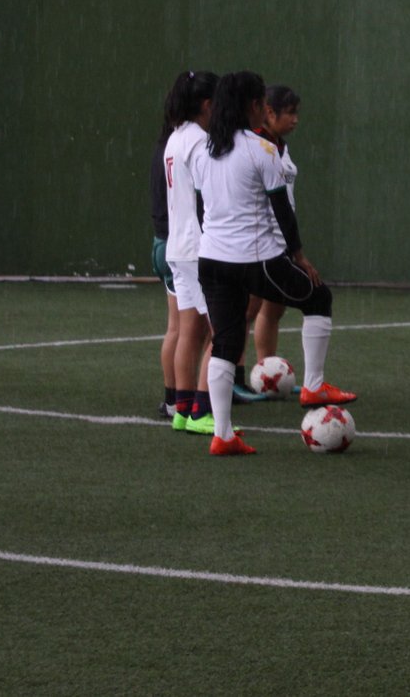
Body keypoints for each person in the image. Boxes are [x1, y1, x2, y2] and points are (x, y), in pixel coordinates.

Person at [194, 71, 356, 456]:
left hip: (211, 261)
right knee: (318, 298)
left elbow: (202, 209)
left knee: (224, 343)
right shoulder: (261, 150)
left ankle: (222, 435)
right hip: (256, 260)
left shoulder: (203, 150)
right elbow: (282, 210)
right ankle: (313, 386)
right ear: (253, 106)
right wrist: (299, 257)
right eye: (262, 104)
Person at [162, 69, 219, 433]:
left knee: (188, 332)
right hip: (199, 248)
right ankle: (202, 411)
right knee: (223, 332)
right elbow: (205, 197)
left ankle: (182, 411)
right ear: (207, 105)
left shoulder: (175, 138)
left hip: (178, 247)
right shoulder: (199, 141)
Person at [238, 84, 302, 402]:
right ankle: (235, 377)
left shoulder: (281, 146)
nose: (295, 119)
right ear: (269, 112)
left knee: (275, 307)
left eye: (296, 113)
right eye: (289, 113)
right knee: (247, 309)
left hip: (281, 240)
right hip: (259, 240)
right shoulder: (256, 144)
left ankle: (268, 374)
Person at [149, 74, 191, 422]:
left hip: (163, 242)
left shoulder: (167, 142)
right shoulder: (186, 143)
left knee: (176, 327)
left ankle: (173, 400)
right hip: (177, 244)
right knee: (189, 330)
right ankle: (185, 401)